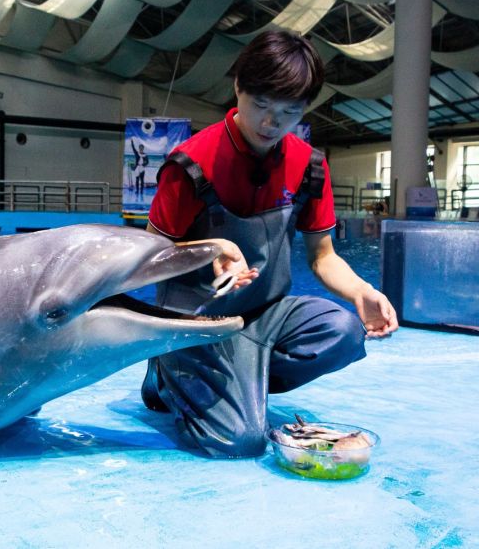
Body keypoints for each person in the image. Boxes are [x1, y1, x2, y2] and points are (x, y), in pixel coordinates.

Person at [141, 31, 398, 458]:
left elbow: (323, 256)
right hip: (197, 320)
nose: (270, 123)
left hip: (265, 316)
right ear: (238, 87)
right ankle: (170, 371)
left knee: (345, 332)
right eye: (260, 105)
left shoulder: (309, 165)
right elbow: (149, 255)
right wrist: (211, 249)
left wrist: (362, 292)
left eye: (289, 112)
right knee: (238, 442)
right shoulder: (191, 164)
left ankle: (236, 384)